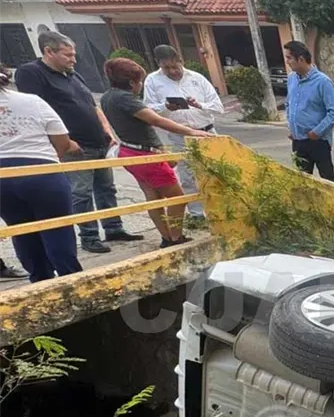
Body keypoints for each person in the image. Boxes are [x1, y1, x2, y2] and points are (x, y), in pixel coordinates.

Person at [16, 31, 144, 254]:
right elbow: (36, 113)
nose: (73, 60)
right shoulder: (32, 74)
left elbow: (91, 105)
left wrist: (106, 129)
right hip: (74, 146)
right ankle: (89, 236)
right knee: (81, 193)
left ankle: (113, 227)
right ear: (48, 51)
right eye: (67, 55)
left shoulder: (73, 75)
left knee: (106, 189)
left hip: (97, 142)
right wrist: (64, 142)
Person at [100, 58, 214, 248]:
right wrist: (192, 131)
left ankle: (166, 237)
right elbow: (157, 121)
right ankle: (175, 237)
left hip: (129, 151)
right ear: (131, 83)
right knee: (178, 198)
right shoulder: (126, 99)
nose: (141, 85)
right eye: (139, 82)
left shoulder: (107, 97)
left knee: (153, 197)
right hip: (145, 155)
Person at [0, 63, 83, 283]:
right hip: (42, 171)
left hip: (2, 180)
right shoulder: (31, 101)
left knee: (21, 229)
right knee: (57, 229)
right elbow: (62, 139)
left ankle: (40, 282)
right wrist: (51, 158)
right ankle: (72, 280)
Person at [143, 44, 224, 219]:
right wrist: (166, 107)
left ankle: (220, 210)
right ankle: (197, 214)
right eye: (166, 68)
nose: (172, 71)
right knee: (188, 176)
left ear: (181, 61)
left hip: (207, 132)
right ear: (159, 64)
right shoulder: (152, 81)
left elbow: (218, 107)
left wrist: (199, 105)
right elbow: (149, 110)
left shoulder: (197, 78)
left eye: (175, 66)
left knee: (217, 171)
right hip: (180, 136)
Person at [284, 41, 334, 181]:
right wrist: (292, 127)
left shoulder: (323, 82)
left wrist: (317, 132)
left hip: (318, 141)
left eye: (290, 58)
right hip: (298, 141)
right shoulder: (292, 79)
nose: (287, 62)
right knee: (301, 181)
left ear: (301, 59)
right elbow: (289, 104)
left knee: (327, 181)